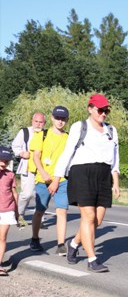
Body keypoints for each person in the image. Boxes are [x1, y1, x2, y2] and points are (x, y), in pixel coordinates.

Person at [51, 94, 120, 273]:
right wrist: (57, 178)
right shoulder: (79, 127)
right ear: (90, 109)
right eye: (100, 110)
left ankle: (74, 244)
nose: (103, 113)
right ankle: (92, 259)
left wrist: (116, 181)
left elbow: (115, 158)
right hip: (81, 172)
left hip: (103, 174)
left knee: (97, 220)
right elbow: (67, 153)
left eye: (106, 110)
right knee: (88, 217)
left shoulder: (111, 130)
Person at [29, 106, 70, 256]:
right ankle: (34, 238)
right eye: (57, 118)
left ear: (66, 120)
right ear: (52, 118)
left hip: (61, 180)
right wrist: (43, 173)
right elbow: (35, 156)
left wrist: (57, 180)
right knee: (40, 210)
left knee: (62, 211)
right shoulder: (42, 135)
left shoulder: (68, 137)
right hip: (43, 179)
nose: (60, 121)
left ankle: (61, 244)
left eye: (63, 119)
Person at [11, 112, 46, 226]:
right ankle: (19, 215)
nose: (38, 124)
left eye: (41, 122)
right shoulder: (25, 132)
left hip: (43, 168)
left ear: (44, 123)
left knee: (41, 194)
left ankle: (40, 219)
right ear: (32, 121)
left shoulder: (47, 134)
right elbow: (15, 145)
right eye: (36, 121)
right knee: (27, 194)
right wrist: (21, 153)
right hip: (28, 167)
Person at [0, 146, 19, 276]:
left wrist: (17, 212)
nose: (3, 163)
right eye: (1, 160)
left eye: (6, 161)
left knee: (2, 237)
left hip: (7, 209)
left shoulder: (10, 174)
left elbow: (14, 193)